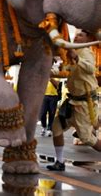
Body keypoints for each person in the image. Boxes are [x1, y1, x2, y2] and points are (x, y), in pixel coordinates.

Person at [47, 30, 101, 171]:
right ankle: (59, 161)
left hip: (85, 103)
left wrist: (77, 58)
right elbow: (65, 72)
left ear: (88, 38)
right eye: (76, 34)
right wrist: (48, 72)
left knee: (87, 138)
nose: (76, 36)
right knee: (56, 127)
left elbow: (90, 69)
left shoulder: (86, 52)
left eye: (81, 35)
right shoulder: (71, 52)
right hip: (72, 102)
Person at [40, 62, 60, 137]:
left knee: (52, 113)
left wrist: (50, 77)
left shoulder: (55, 73)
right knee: (42, 113)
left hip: (53, 96)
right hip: (44, 96)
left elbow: (57, 84)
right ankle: (44, 127)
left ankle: (49, 129)